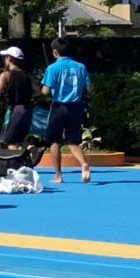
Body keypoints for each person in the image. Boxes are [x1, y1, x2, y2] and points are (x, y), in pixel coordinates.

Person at [37, 37, 92, 184]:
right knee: (73, 141)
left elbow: (45, 91)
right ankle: (83, 164)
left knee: (54, 141)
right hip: (76, 107)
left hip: (58, 106)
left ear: (55, 52)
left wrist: (38, 91)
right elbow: (89, 89)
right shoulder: (81, 67)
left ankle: (58, 175)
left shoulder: (52, 68)